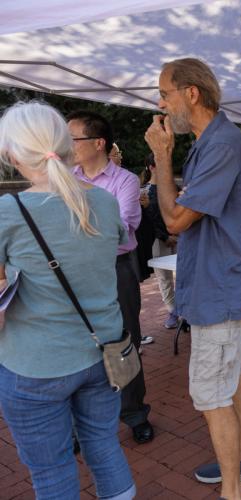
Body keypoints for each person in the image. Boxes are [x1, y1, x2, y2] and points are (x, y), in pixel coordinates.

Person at [145, 57, 241, 500]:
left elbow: (176, 218)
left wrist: (161, 158)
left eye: (165, 93)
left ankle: (233, 491)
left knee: (211, 391)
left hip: (222, 289)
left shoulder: (220, 145)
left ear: (191, 94)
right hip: (222, 285)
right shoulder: (210, 142)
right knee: (230, 378)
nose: (160, 103)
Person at [0, 101, 135, 499]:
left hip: (35, 365)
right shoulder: (105, 201)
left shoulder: (9, 211)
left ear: (12, 154)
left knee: (51, 469)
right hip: (103, 353)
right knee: (104, 447)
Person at [67, 110, 154, 444]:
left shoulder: (126, 181)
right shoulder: (64, 177)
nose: (67, 145)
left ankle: (134, 414)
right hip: (75, 272)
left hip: (115, 269)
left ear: (98, 143)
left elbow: (120, 229)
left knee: (124, 342)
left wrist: (78, 226)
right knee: (79, 346)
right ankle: (80, 424)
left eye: (73, 139)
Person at [141, 153, 179, 329]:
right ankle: (173, 311)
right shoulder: (145, 190)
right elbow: (148, 219)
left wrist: (176, 234)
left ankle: (184, 308)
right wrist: (165, 236)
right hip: (158, 240)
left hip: (178, 237)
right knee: (164, 278)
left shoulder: (173, 187)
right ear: (151, 167)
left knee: (183, 274)